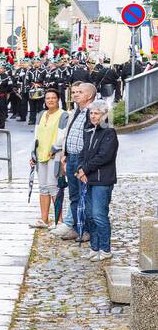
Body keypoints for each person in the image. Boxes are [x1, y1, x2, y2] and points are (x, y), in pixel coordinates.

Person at [76, 100, 118, 261]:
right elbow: (83, 153)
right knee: (89, 215)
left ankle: (105, 249)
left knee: (99, 215)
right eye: (92, 113)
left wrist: (85, 169)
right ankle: (94, 247)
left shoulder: (109, 132)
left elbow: (104, 156)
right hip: (88, 179)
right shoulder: (88, 131)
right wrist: (80, 169)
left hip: (102, 180)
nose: (93, 116)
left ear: (104, 115)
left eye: (97, 113)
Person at [60, 81, 96, 242]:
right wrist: (65, 154)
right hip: (71, 157)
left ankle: (86, 229)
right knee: (74, 195)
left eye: (80, 92)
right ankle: (76, 228)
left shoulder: (94, 112)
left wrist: (86, 163)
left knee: (85, 196)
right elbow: (69, 134)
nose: (75, 94)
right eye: (75, 92)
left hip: (83, 159)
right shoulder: (76, 111)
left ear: (89, 96)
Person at [29, 88, 66, 229]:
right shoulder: (41, 115)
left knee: (54, 187)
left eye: (53, 98)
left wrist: (55, 148)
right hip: (41, 154)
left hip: (54, 155)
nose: (50, 100)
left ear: (58, 99)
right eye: (48, 98)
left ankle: (59, 221)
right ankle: (44, 219)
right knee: (43, 188)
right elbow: (36, 136)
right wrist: (32, 153)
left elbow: (63, 135)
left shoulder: (63, 115)